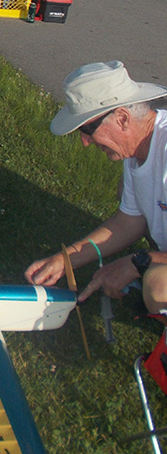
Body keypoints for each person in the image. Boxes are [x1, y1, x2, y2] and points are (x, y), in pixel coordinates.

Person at [25, 61, 167, 315]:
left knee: (159, 286)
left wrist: (139, 263)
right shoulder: (136, 151)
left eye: (88, 129)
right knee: (124, 192)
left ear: (122, 118)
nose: (85, 142)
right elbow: (129, 221)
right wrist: (65, 260)